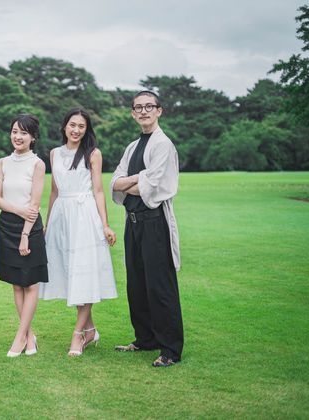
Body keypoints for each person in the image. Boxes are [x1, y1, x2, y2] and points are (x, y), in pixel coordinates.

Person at [110, 90, 183, 367]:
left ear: (159, 110)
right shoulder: (132, 146)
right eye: (138, 107)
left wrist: (133, 182)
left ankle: (170, 350)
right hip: (133, 222)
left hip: (154, 222)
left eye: (149, 106)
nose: (143, 111)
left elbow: (150, 187)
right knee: (137, 284)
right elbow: (114, 182)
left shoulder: (163, 145)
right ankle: (145, 339)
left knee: (159, 285)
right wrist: (137, 179)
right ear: (132, 113)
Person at [39, 108, 118, 356]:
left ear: (86, 130)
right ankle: (90, 329)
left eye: (81, 126)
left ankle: (78, 335)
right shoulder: (54, 153)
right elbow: (54, 191)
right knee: (71, 274)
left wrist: (105, 224)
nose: (76, 130)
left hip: (85, 217)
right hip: (61, 217)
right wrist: (48, 224)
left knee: (85, 273)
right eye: (72, 125)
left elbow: (98, 191)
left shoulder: (93, 154)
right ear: (64, 126)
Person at [0, 114, 48, 357]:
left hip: (30, 228)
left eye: (24, 133)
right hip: (7, 225)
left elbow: (34, 204)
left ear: (33, 137)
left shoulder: (37, 164)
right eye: (15, 131)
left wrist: (25, 235)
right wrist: (17, 210)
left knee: (31, 283)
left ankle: (20, 337)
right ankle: (29, 336)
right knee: (16, 283)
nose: (18, 136)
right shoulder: (2, 163)